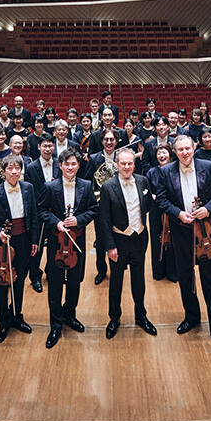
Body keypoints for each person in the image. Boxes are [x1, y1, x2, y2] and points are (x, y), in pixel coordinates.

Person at [156, 135, 211, 352]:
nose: (185, 153)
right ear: (175, 152)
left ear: (194, 148)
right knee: (185, 276)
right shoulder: (166, 171)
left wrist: (208, 209)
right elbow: (162, 201)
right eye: (180, 149)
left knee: (210, 279)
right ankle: (191, 316)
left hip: (205, 232)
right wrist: (178, 213)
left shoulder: (209, 166)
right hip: (181, 230)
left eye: (188, 148)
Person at [40, 148, 98, 349]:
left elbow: (93, 209)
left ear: (78, 165)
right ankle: (55, 324)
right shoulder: (50, 187)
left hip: (77, 241)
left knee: (75, 281)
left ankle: (69, 315)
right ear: (61, 166)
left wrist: (78, 220)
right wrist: (56, 222)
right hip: (57, 242)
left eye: (74, 164)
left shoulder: (86, 185)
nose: (70, 167)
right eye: (67, 164)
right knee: (55, 284)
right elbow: (41, 211)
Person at [98, 148, 157, 339]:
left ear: (134, 164)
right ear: (116, 165)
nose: (126, 167)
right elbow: (104, 220)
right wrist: (110, 246)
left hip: (139, 238)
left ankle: (141, 315)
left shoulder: (143, 181)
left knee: (139, 280)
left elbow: (147, 205)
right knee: (116, 282)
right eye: (122, 163)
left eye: (130, 163)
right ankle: (114, 317)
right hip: (118, 241)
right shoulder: (108, 187)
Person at [0, 155, 39, 343]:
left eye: (17, 168)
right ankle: (3, 322)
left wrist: (34, 241)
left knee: (20, 278)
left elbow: (33, 217)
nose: (14, 171)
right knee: (1, 282)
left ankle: (17, 315)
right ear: (3, 171)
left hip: (23, 239)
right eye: (10, 168)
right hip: (3, 243)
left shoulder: (29, 188)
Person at [25, 133, 61, 293]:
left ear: (54, 147)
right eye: (44, 146)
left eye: (50, 146)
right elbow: (28, 192)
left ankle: (50, 271)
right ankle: (34, 276)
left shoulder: (60, 164)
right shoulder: (31, 168)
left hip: (55, 213)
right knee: (36, 248)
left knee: (55, 245)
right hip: (39, 213)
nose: (47, 149)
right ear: (39, 147)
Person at [86, 130, 120, 284]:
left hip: (118, 204)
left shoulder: (121, 158)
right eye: (106, 139)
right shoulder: (94, 158)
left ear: (116, 141)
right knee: (100, 240)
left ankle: (116, 269)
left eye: (111, 139)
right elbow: (88, 180)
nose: (108, 142)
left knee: (117, 238)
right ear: (101, 141)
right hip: (100, 204)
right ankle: (101, 270)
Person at [146, 143, 178, 283]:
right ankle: (158, 271)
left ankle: (173, 272)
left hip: (172, 208)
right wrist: (150, 195)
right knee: (156, 237)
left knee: (173, 239)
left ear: (170, 154)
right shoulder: (151, 172)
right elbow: (146, 190)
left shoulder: (176, 169)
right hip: (155, 208)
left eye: (164, 152)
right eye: (159, 153)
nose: (161, 155)